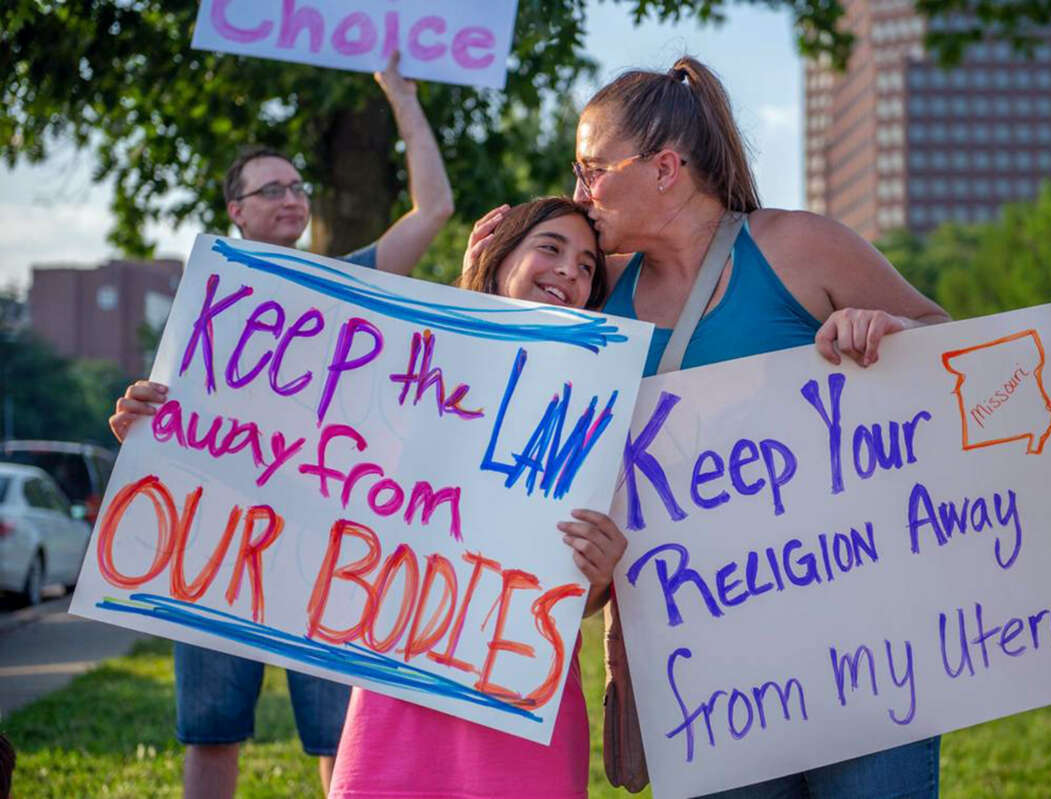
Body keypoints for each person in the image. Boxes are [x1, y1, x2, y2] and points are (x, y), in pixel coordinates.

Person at [466, 55, 950, 798]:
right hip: (705, 675)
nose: (578, 192)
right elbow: (504, 410)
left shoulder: (797, 246)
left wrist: (880, 327)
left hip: (862, 646)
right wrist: (479, 287)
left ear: (664, 168)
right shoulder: (602, 290)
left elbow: (945, 343)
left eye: (591, 168)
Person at [112, 198, 623, 798]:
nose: (570, 270)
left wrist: (601, 570)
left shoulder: (598, 407)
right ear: (501, 253)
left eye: (588, 265)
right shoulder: (407, 366)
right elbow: (289, 467)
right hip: (398, 685)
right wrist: (166, 438)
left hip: (519, 696)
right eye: (551, 247)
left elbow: (579, 600)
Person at [108, 51, 453, 799]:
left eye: (299, 185)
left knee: (340, 741)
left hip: (320, 543)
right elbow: (162, 417)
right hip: (212, 540)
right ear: (235, 210)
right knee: (212, 730)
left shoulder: (346, 283)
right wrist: (134, 417)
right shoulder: (207, 301)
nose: (292, 198)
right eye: (272, 189)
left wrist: (399, 97)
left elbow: (434, 212)